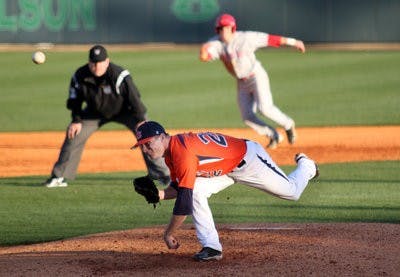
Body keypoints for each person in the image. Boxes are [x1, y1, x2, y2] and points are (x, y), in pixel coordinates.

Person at [132, 121, 319, 261]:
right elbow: (179, 188)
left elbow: (184, 204)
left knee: (292, 192)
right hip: (226, 169)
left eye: (148, 143)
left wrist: (169, 234)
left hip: (249, 160)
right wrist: (159, 194)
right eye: (143, 146)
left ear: (162, 136)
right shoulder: (172, 152)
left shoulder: (182, 153)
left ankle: (307, 166)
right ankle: (211, 247)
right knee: (196, 190)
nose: (146, 149)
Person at [44, 45, 170, 188]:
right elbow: (75, 101)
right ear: (89, 62)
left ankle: (164, 175)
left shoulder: (119, 74)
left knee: (148, 138)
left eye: (99, 62)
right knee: (74, 134)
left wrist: (141, 120)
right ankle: (59, 176)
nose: (96, 66)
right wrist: (76, 120)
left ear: (107, 61)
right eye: (93, 63)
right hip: (94, 113)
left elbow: (134, 98)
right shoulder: (80, 75)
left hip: (126, 111)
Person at [200, 13, 306, 148]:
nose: (223, 31)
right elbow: (205, 57)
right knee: (247, 116)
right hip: (241, 82)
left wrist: (294, 42)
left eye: (226, 28)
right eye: (220, 29)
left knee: (265, 108)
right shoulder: (216, 43)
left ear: (233, 28)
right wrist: (203, 50)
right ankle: (274, 135)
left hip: (256, 76)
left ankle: (288, 124)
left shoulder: (245, 38)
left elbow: (270, 39)